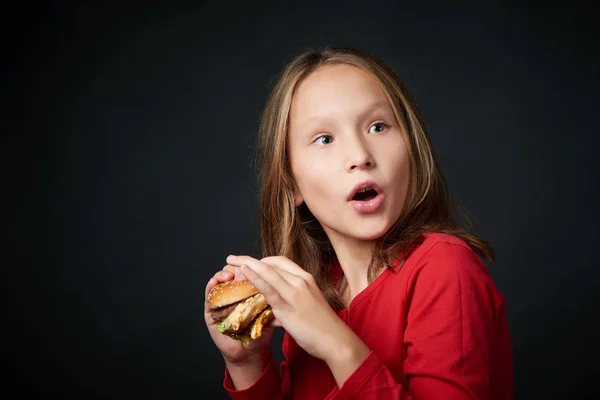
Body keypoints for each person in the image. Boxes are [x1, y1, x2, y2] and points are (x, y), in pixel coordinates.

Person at [204, 46, 513, 399]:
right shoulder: (317, 293)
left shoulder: (445, 268)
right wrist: (247, 365)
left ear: (412, 149)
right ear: (291, 185)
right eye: (324, 139)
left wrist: (336, 344)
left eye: (378, 126)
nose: (360, 156)